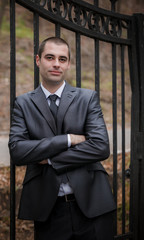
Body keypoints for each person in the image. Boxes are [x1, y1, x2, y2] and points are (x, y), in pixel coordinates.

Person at [9, 37, 116, 240]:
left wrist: (50, 159)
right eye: (50, 57)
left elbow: (101, 147)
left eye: (62, 59)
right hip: (48, 209)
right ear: (38, 60)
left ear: (68, 64)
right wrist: (68, 139)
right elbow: (17, 151)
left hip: (93, 203)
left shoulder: (87, 98)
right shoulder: (23, 103)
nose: (56, 63)